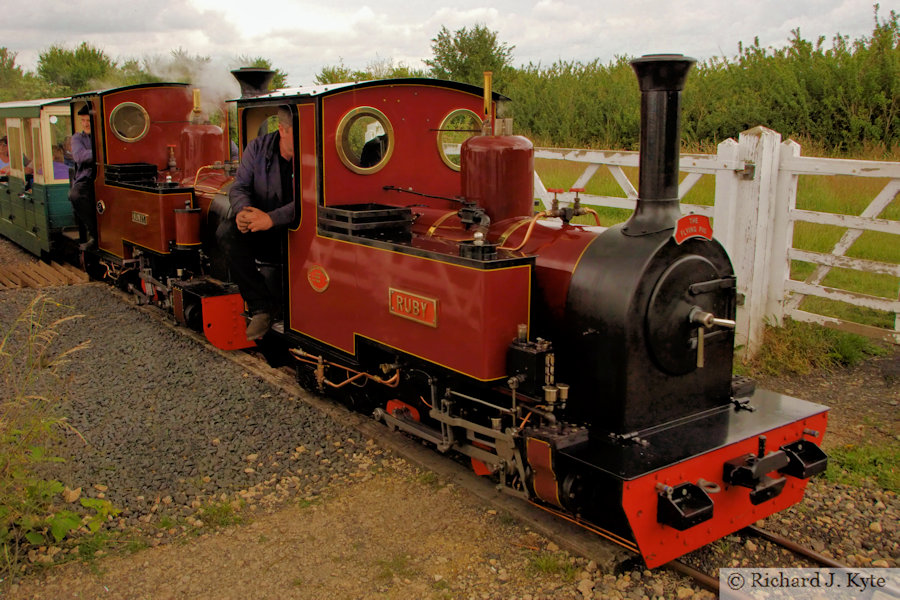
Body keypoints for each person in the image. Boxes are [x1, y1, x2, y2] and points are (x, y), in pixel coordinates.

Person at [220, 106, 295, 340]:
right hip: (262, 227)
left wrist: (271, 218)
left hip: (297, 227)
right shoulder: (257, 148)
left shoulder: (313, 153)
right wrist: (244, 212)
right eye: (298, 133)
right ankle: (260, 307)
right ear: (282, 130)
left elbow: (310, 200)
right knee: (227, 233)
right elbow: (240, 186)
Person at [69, 105, 96, 248]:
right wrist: (102, 151)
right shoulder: (77, 138)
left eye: (88, 120)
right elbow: (80, 157)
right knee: (76, 196)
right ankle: (94, 233)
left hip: (108, 177)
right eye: (83, 121)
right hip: (86, 177)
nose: (85, 124)